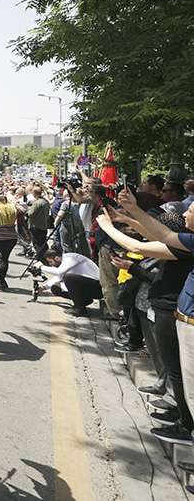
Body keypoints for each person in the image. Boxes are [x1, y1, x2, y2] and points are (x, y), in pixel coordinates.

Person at [96, 191, 194, 446]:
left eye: (191, 210)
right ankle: (182, 414)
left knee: (179, 373)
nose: (186, 212)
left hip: (174, 313)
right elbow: (160, 235)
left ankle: (186, 423)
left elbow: (141, 245)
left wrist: (108, 227)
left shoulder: (186, 248)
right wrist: (129, 214)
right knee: (177, 372)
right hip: (172, 311)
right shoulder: (184, 242)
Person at [36, 248, 102, 316]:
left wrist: (41, 267)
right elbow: (59, 276)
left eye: (50, 262)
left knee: (68, 277)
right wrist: (44, 287)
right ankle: (84, 301)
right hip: (87, 286)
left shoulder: (70, 258)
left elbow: (59, 272)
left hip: (98, 287)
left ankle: (79, 308)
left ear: (56, 258)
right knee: (55, 288)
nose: (50, 264)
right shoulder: (64, 262)